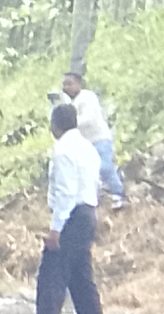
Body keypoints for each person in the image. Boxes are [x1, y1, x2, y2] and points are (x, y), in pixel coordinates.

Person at [32, 100, 114, 314]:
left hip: (72, 215)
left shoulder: (62, 150)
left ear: (55, 124)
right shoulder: (88, 148)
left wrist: (56, 229)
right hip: (88, 213)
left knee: (51, 275)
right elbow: (95, 184)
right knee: (81, 280)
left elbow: (66, 193)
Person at [46, 67, 124, 209]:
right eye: (64, 84)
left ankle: (118, 192)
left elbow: (90, 119)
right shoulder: (68, 103)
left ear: (78, 84)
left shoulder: (88, 97)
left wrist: (71, 122)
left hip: (99, 138)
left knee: (105, 167)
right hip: (84, 144)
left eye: (69, 84)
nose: (66, 87)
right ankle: (96, 195)